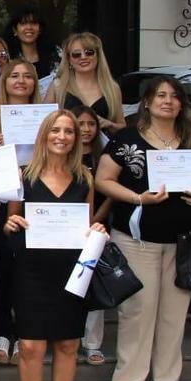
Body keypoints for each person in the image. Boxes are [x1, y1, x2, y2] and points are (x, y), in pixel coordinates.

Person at [96, 76, 191, 381]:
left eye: (174, 96)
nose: (167, 101)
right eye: (160, 95)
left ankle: (166, 379)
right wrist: (137, 198)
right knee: (138, 310)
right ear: (147, 102)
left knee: (174, 313)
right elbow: (103, 180)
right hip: (138, 240)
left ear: (181, 104)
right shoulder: (127, 139)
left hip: (182, 241)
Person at [3, 109, 107, 381]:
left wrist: (96, 231)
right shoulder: (24, 176)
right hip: (32, 272)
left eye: (69, 132)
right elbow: (9, 224)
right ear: (44, 135)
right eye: (56, 130)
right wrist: (11, 225)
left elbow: (87, 226)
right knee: (31, 347)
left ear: (76, 139)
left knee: (67, 346)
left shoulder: (85, 178)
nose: (62, 137)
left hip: (71, 273)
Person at [0, 57, 42, 364]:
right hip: (1, 196)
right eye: (14, 76)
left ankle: (26, 330)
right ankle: (3, 330)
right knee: (2, 263)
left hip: (37, 193)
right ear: (4, 82)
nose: (21, 81)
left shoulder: (48, 118)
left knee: (30, 265)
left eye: (27, 76)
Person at [75, 104, 115, 365]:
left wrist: (94, 221)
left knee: (93, 282)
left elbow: (110, 194)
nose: (86, 129)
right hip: (66, 230)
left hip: (97, 227)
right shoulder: (63, 156)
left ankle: (92, 343)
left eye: (91, 124)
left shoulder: (103, 158)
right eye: (80, 124)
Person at [45, 32, 127, 135]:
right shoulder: (57, 86)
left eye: (89, 52)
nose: (83, 57)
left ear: (98, 56)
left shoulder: (112, 88)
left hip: (102, 144)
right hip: (67, 143)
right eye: (76, 54)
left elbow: (121, 125)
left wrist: (109, 124)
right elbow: (43, 122)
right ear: (69, 60)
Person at [5, 9, 59, 81]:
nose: (29, 27)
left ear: (40, 29)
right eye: (23, 23)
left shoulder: (55, 53)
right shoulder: (7, 57)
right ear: (15, 30)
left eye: (33, 23)